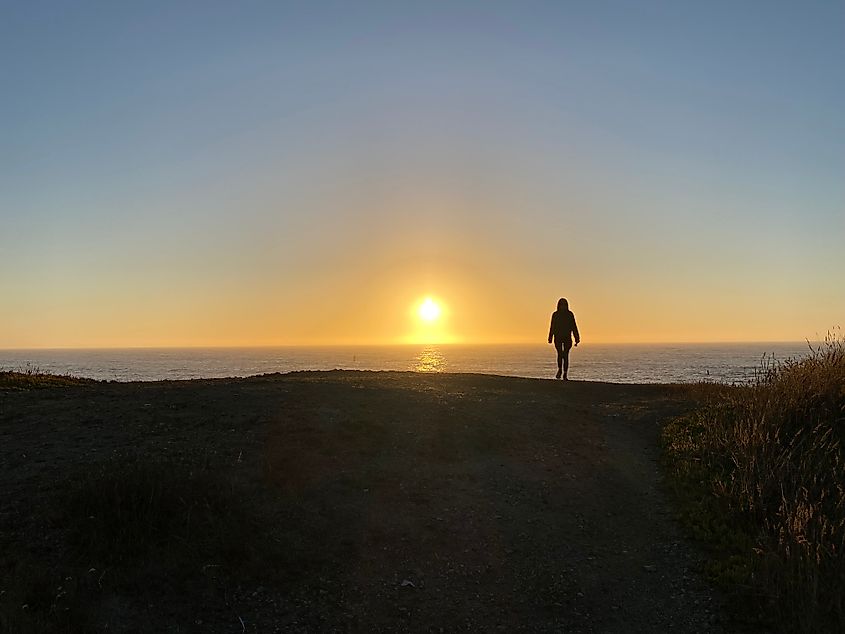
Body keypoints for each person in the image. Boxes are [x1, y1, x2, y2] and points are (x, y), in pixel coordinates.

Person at [548, 298, 580, 380]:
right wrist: (550, 337)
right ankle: (560, 369)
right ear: (559, 305)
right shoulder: (555, 315)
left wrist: (577, 338)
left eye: (564, 305)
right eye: (561, 305)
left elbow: (574, 326)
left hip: (567, 338)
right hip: (558, 337)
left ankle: (565, 373)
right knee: (560, 354)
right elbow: (552, 326)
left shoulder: (570, 314)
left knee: (565, 355)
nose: (563, 307)